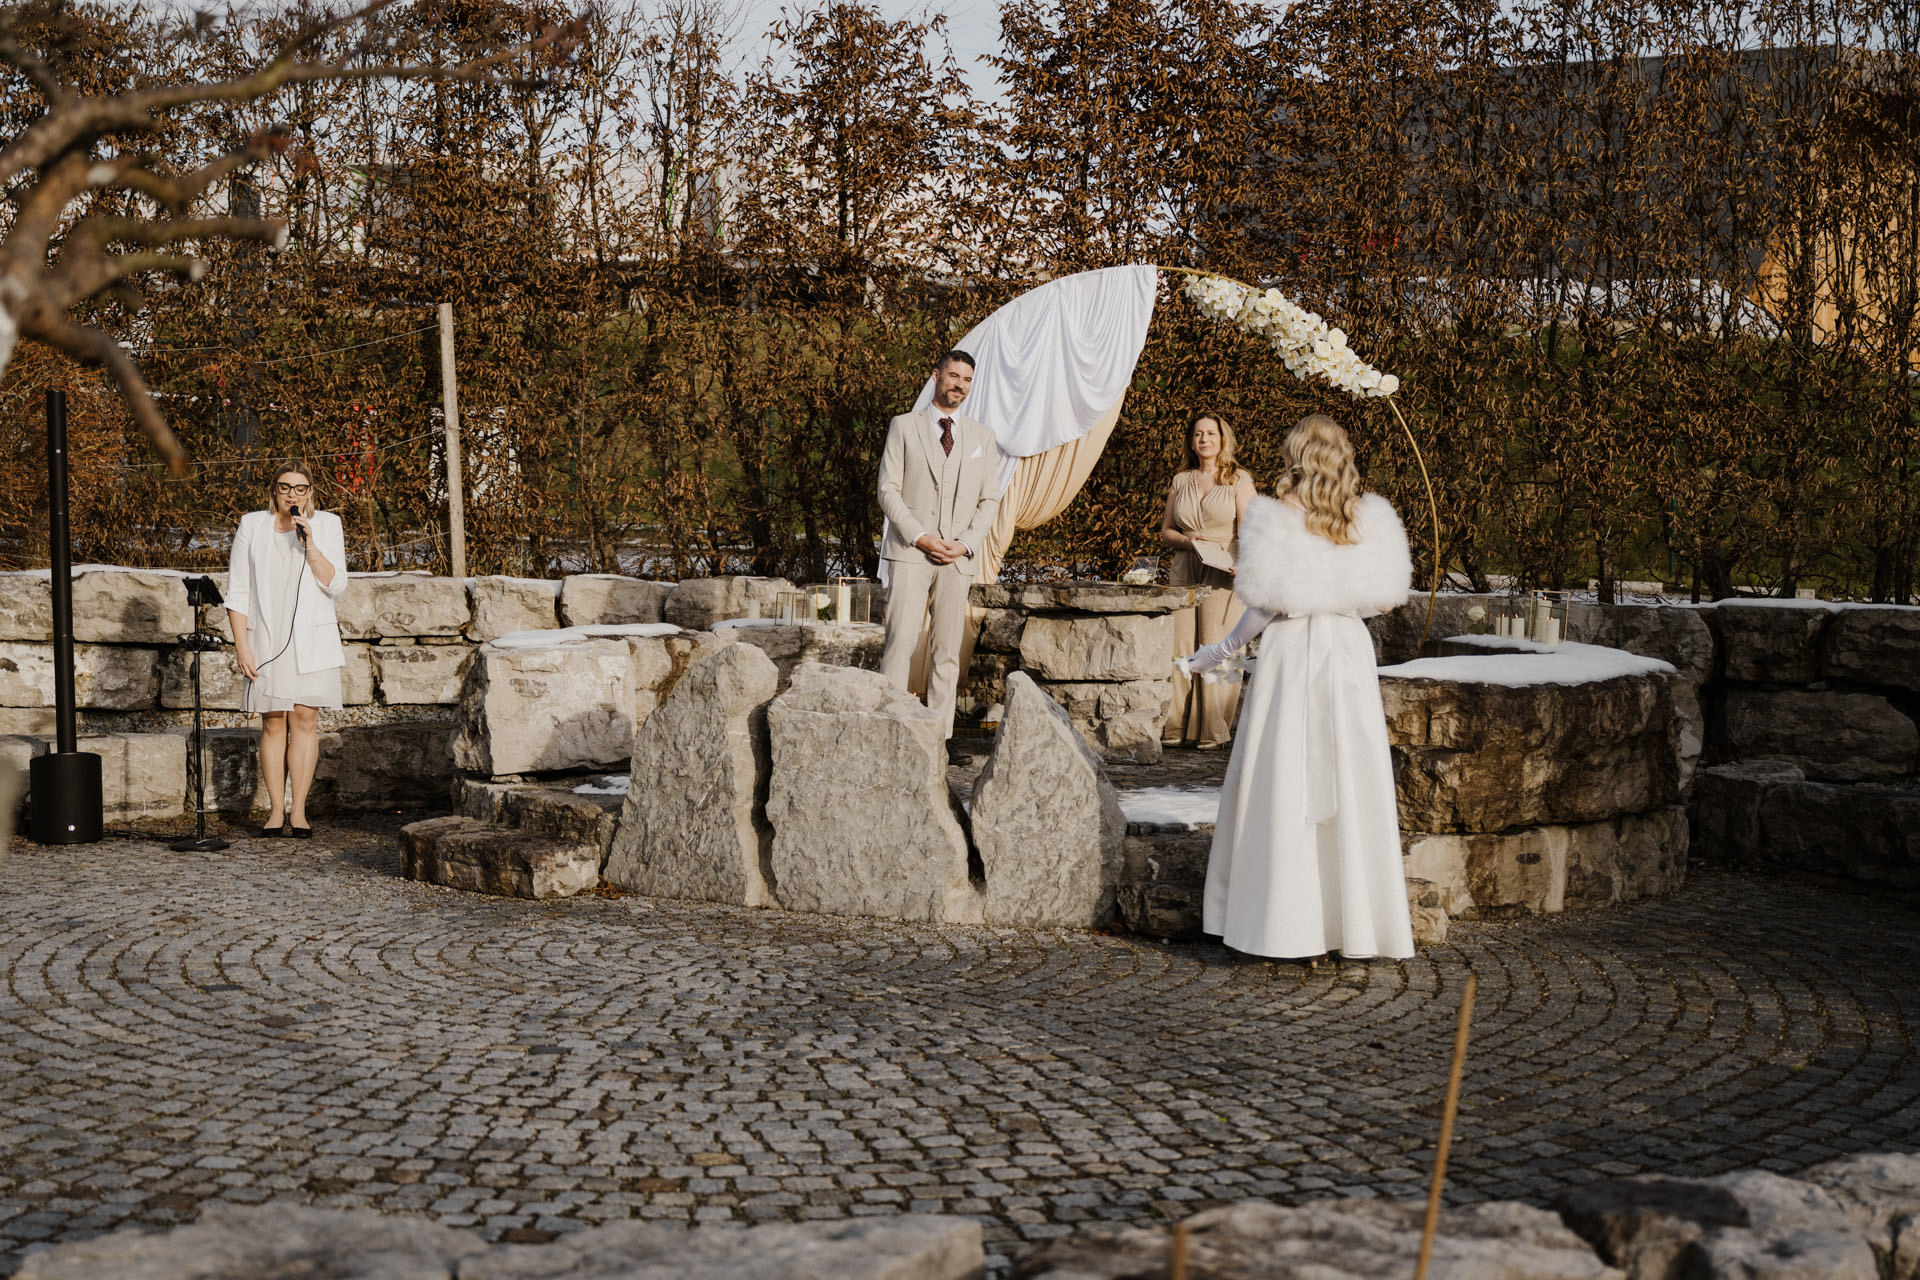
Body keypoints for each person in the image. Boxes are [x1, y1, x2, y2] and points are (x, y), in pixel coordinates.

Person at [1182, 413, 1416, 959]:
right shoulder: (1369, 518)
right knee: (1348, 776)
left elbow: (1262, 605)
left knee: (1282, 777)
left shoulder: (1274, 516)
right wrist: (1337, 597)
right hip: (1346, 652)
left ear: (1298, 453)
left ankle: (1280, 924)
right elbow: (1383, 599)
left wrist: (1218, 651)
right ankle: (1351, 924)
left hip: (1291, 653)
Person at [877, 350, 1002, 737]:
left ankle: (941, 737)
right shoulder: (903, 426)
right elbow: (888, 489)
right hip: (911, 552)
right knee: (900, 643)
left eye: (966, 379)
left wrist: (965, 543)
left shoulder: (982, 437)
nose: (958, 384)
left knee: (947, 651)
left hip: (957, 559)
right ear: (936, 376)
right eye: (952, 375)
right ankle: (891, 729)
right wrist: (920, 536)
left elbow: (990, 500)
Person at [226, 464, 349, 838]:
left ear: (310, 492)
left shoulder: (327, 525)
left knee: (305, 721)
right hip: (265, 637)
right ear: (274, 490)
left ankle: (299, 811)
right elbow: (238, 590)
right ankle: (275, 811)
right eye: (285, 488)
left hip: (310, 640)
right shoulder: (252, 525)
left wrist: (310, 544)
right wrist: (242, 646)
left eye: (300, 489)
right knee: (274, 720)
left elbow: (336, 583)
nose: (292, 495)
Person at [1159, 411, 1256, 749]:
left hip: (1224, 568)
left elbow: (1249, 531)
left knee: (1218, 643)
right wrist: (1187, 541)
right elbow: (1167, 530)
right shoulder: (1181, 480)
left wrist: (1241, 565)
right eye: (1198, 434)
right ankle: (1176, 726)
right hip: (1186, 566)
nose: (1204, 439)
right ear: (1191, 441)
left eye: (1211, 433)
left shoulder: (1239, 479)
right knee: (1181, 645)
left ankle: (1213, 729)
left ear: (1222, 438)